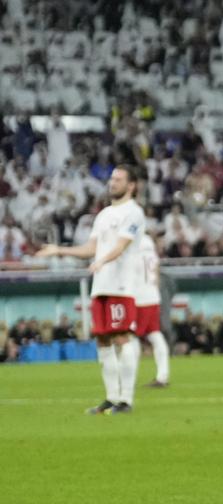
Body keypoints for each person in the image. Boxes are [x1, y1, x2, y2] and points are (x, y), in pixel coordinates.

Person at [35, 165, 146, 414]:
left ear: (131, 186)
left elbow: (122, 246)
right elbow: (90, 248)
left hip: (121, 285)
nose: (112, 183)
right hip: (101, 284)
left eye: (118, 179)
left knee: (121, 337)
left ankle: (126, 399)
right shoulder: (104, 214)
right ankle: (111, 397)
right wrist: (59, 250)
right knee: (103, 339)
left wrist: (102, 260)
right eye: (111, 179)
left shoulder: (134, 212)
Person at [134, 233, 170, 387]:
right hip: (153, 295)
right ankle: (162, 375)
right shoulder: (150, 247)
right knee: (155, 334)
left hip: (139, 298)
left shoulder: (132, 245)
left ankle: (128, 377)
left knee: (132, 337)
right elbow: (156, 272)